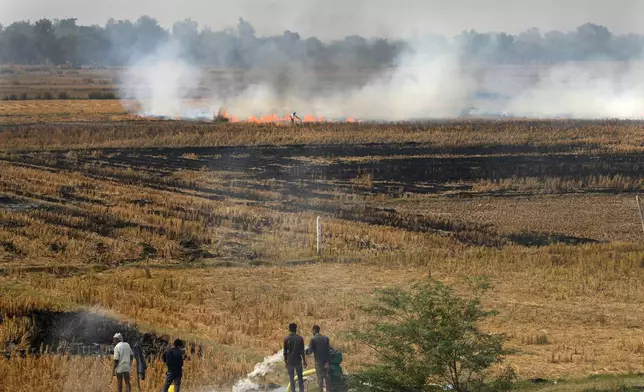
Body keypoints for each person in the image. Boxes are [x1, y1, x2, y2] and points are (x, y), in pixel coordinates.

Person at [306, 325, 333, 392]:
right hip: (327, 362)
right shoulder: (326, 338)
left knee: (320, 380)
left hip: (319, 363)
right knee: (327, 380)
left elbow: (310, 352)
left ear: (314, 330)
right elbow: (330, 349)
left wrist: (305, 351)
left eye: (312, 330)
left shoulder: (313, 339)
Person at [284, 323, 307, 392]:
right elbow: (302, 351)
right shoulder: (300, 338)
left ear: (289, 329)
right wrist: (304, 361)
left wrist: (286, 362)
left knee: (291, 379)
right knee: (300, 378)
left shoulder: (286, 339)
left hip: (290, 362)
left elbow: (285, 352)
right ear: (296, 329)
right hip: (298, 361)